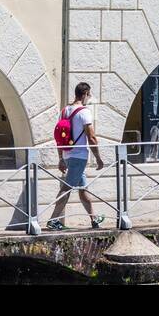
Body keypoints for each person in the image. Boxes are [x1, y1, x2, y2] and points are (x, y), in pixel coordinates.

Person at [46, 82, 106, 230]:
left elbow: (59, 137)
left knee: (83, 189)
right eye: (89, 95)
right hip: (79, 157)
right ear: (85, 94)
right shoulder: (84, 112)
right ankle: (53, 220)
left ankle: (94, 219)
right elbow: (91, 137)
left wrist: (61, 158)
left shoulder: (65, 110)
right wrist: (98, 158)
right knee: (66, 188)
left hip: (67, 155)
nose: (89, 98)